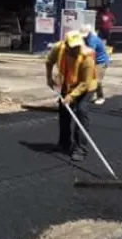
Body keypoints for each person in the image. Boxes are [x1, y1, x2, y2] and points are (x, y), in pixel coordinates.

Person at [45, 30, 98, 161]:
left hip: (86, 87)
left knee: (81, 111)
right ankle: (64, 143)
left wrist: (72, 96)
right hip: (67, 84)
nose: (75, 49)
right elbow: (49, 62)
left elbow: (85, 83)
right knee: (63, 111)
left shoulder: (87, 58)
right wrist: (49, 78)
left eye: (77, 46)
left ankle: (80, 149)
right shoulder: (59, 48)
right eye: (72, 47)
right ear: (66, 44)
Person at [80, 24, 111, 105]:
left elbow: (90, 52)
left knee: (97, 80)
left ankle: (101, 97)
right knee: (88, 78)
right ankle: (89, 95)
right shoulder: (85, 38)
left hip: (101, 62)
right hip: (94, 61)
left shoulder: (93, 40)